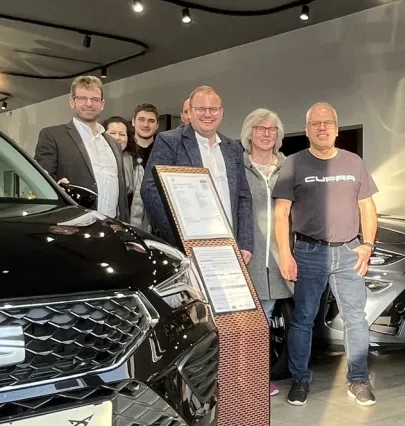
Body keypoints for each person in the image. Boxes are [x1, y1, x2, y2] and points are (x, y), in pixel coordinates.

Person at [273, 102, 379, 407]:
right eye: (316, 124)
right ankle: (300, 380)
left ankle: (358, 380)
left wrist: (368, 245)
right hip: (308, 251)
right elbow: (282, 213)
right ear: (307, 130)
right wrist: (285, 254)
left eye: (328, 123)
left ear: (336, 127)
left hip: (349, 252)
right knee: (304, 319)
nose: (322, 128)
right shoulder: (293, 164)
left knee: (355, 318)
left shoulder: (353, 162)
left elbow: (367, 207)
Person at [140, 86, 254, 257]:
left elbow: (243, 197)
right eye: (201, 109)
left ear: (221, 113)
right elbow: (150, 190)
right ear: (190, 113)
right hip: (186, 248)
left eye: (213, 109)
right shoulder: (170, 142)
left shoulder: (233, 148)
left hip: (229, 246)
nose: (208, 114)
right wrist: (178, 238)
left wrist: (245, 243)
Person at [241, 108, 295, 397]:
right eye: (259, 128)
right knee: (244, 320)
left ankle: (256, 378)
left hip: (278, 257)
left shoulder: (289, 167)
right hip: (246, 254)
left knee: (265, 317)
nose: (265, 134)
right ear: (249, 132)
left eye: (271, 129)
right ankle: (238, 378)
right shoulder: (236, 166)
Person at [33, 76, 130, 220]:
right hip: (73, 226)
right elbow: (40, 183)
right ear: (72, 102)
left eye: (95, 99)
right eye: (82, 98)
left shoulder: (112, 143)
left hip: (113, 227)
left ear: (102, 104)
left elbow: (121, 192)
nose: (89, 104)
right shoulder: (53, 136)